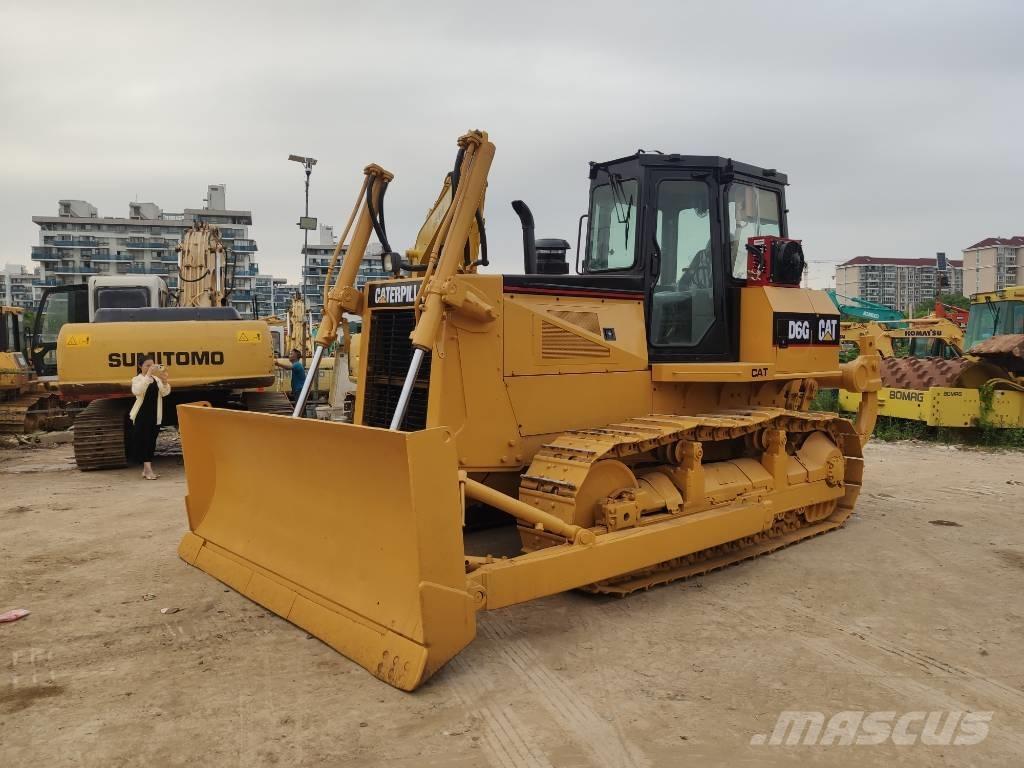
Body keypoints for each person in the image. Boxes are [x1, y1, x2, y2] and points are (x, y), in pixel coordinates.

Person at [130, 357, 170, 480]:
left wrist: (164, 382)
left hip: (155, 415)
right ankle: (148, 471)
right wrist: (147, 375)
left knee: (151, 442)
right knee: (144, 441)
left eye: (152, 365)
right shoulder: (137, 379)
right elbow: (138, 391)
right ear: (140, 366)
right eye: (147, 365)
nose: (150, 368)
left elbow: (164, 393)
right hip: (142, 415)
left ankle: (146, 469)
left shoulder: (156, 379)